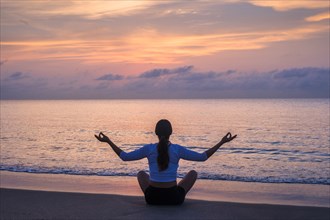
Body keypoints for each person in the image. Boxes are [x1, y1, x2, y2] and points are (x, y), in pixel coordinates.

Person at [95, 119, 237, 205]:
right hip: (174, 199)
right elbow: (203, 157)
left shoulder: (149, 149)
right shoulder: (177, 149)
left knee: (141, 174)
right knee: (193, 173)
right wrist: (222, 142)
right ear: (171, 133)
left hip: (152, 198)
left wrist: (108, 141)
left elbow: (125, 156)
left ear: (156, 133)